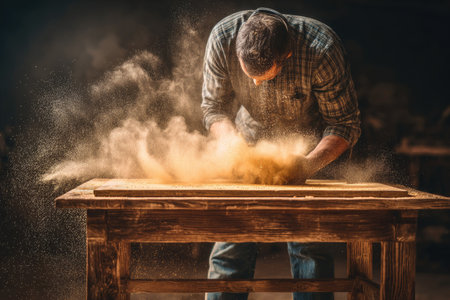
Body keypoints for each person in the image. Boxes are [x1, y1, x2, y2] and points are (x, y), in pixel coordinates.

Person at [201, 7, 361, 300]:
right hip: (246, 138)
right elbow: (214, 108)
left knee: (310, 247)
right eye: (250, 76)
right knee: (233, 242)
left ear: (286, 57)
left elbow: (344, 124)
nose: (255, 84)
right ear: (238, 47)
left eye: (263, 77)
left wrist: (308, 165)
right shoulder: (223, 37)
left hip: (309, 149)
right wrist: (234, 148)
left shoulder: (321, 49)